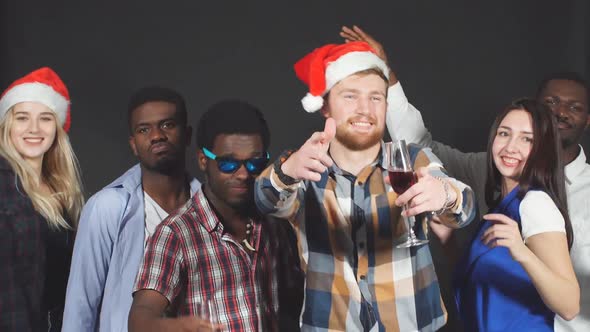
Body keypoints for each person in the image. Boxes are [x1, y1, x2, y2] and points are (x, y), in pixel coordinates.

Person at [341, 25, 590, 332]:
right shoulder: (502, 196)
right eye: (504, 134)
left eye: (527, 138)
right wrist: (448, 244)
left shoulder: (536, 203)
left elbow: (568, 304)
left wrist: (522, 251)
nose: (511, 146)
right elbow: (424, 145)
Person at [255, 41, 476, 331]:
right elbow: (265, 199)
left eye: (376, 98)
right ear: (325, 106)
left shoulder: (411, 159)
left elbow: (465, 208)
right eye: (350, 96)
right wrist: (287, 172)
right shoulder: (304, 165)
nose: (365, 109)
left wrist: (445, 194)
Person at [129, 100, 302, 332]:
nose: (243, 174)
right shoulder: (175, 234)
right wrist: (178, 327)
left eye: (255, 163)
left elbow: (296, 304)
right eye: (228, 164)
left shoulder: (274, 224)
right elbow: (141, 318)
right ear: (203, 160)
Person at [62, 86, 201, 331]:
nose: (157, 135)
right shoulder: (107, 208)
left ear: (187, 135)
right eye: (144, 129)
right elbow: (80, 305)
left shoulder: (208, 207)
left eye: (167, 125)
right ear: (134, 144)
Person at [0, 67, 84, 331]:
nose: (34, 129)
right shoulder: (4, 186)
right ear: (6, 124)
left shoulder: (63, 193)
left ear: (57, 127)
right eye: (22, 117)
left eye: (45, 118)